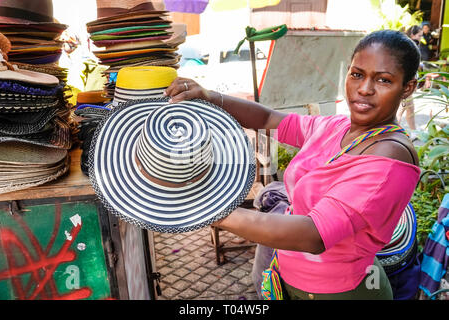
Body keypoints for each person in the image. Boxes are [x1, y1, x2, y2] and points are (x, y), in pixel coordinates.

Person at [164, 29, 421, 300]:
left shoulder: (389, 157)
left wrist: (208, 208)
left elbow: (313, 235)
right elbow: (268, 120)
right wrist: (211, 97)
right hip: (291, 279)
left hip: (341, 291)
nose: (364, 89)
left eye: (383, 80)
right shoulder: (337, 127)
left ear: (407, 87)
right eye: (357, 74)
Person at [396, 25, 422, 132]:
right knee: (401, 109)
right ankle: (393, 131)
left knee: (410, 109)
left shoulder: (411, 45)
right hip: (406, 82)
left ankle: (414, 132)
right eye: (419, 35)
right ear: (412, 35)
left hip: (408, 82)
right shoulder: (408, 47)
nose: (421, 38)